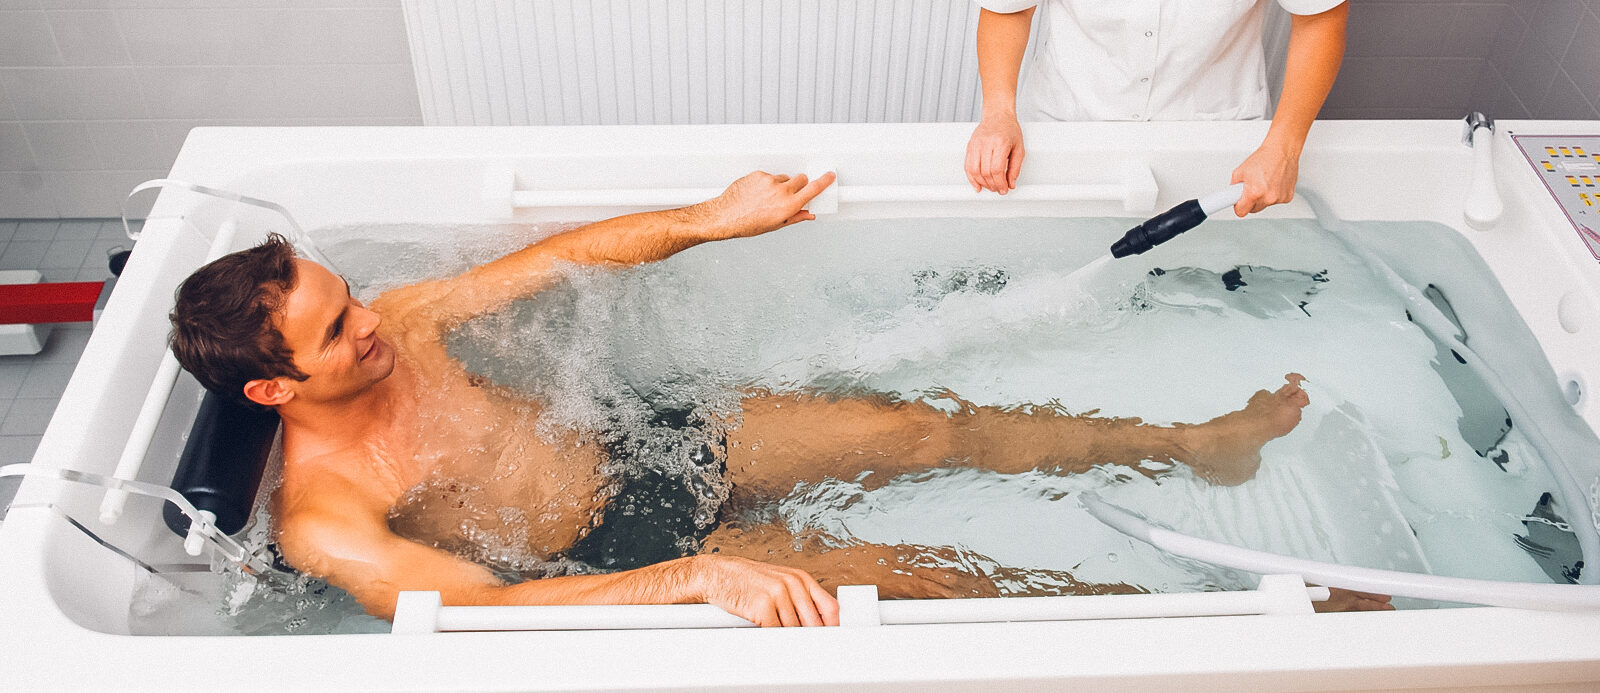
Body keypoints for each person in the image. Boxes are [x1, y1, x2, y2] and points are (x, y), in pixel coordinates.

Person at [168, 170, 1380, 627]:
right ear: (276, 386)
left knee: (920, 426)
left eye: (351, 296)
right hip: (622, 547)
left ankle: (1196, 447)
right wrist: (695, 575)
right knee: (922, 575)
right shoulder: (329, 517)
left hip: (643, 440)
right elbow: (489, 614)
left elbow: (562, 262)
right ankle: (1231, 623)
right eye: (340, 328)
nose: (375, 318)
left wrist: (707, 219)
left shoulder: (405, 318)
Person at [964, 0, 1349, 217]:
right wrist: (999, 113)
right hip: (1070, 121)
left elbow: (1320, 18)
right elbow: (1008, 7)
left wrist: (1284, 149)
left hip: (1216, 144)